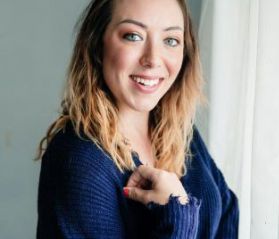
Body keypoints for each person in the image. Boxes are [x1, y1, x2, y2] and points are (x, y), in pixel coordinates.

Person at [36, 0, 239, 238]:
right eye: (133, 36)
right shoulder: (79, 159)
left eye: (171, 40)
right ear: (96, 44)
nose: (153, 59)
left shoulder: (183, 134)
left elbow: (227, 212)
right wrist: (177, 216)